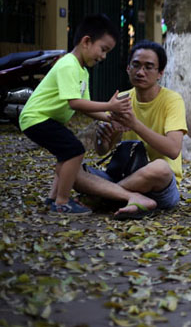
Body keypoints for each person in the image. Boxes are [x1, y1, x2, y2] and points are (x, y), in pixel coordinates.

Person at [19, 14, 130, 215]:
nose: (104, 56)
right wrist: (110, 105)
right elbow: (74, 102)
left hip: (46, 120)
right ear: (86, 41)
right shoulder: (68, 64)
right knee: (75, 150)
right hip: (37, 118)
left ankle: (53, 198)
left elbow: (84, 107)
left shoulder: (82, 72)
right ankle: (62, 201)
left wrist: (111, 119)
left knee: (67, 153)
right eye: (103, 49)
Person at [73, 40, 188, 220]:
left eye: (149, 67)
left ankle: (103, 196)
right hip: (123, 175)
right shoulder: (122, 99)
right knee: (70, 170)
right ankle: (127, 198)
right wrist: (103, 138)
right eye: (136, 65)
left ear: (160, 73)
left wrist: (135, 124)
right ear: (128, 68)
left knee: (160, 168)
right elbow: (103, 151)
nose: (140, 72)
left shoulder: (172, 100)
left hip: (159, 188)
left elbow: (173, 150)